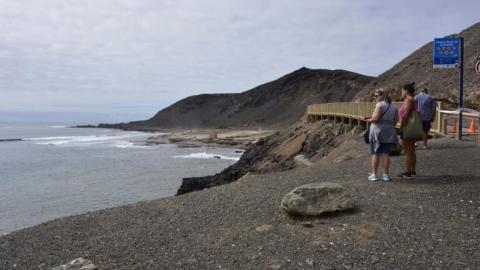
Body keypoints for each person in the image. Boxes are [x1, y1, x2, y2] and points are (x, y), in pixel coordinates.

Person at [365, 89, 399, 181]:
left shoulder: (379, 105)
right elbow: (396, 120)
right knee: (385, 153)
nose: (375, 97)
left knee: (376, 152)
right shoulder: (394, 106)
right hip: (389, 131)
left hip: (377, 131)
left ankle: (374, 175)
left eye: (376, 96)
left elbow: (375, 119)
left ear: (382, 96)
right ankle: (386, 175)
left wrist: (368, 120)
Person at [398, 82, 417, 178]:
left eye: (402, 90)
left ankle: (408, 172)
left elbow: (406, 115)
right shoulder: (412, 100)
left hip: (407, 127)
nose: (401, 92)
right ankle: (412, 170)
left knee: (407, 150)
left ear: (406, 90)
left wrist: (401, 127)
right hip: (411, 127)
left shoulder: (408, 100)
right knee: (412, 149)